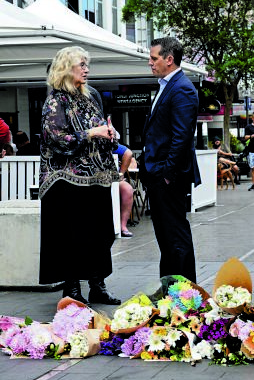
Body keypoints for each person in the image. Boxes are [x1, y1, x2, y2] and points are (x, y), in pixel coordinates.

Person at [39, 46, 121, 305]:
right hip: (67, 180)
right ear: (66, 68)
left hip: (96, 178)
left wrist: (109, 133)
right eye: (81, 64)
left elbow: (99, 127)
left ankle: (98, 285)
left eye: (87, 64)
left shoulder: (91, 96)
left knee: (101, 233)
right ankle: (72, 288)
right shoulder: (56, 100)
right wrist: (90, 134)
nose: (86, 69)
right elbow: (56, 139)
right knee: (72, 236)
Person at [140, 37, 201, 282]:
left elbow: (182, 136)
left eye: (154, 58)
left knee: (175, 236)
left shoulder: (182, 88)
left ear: (169, 59)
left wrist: (166, 174)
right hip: (159, 173)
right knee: (166, 237)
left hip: (168, 176)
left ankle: (185, 293)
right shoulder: (167, 85)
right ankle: (170, 290)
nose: (150, 63)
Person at [114, 144, 135, 238]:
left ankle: (123, 226)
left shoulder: (106, 141)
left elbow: (128, 153)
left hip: (112, 178)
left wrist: (121, 173)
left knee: (128, 189)